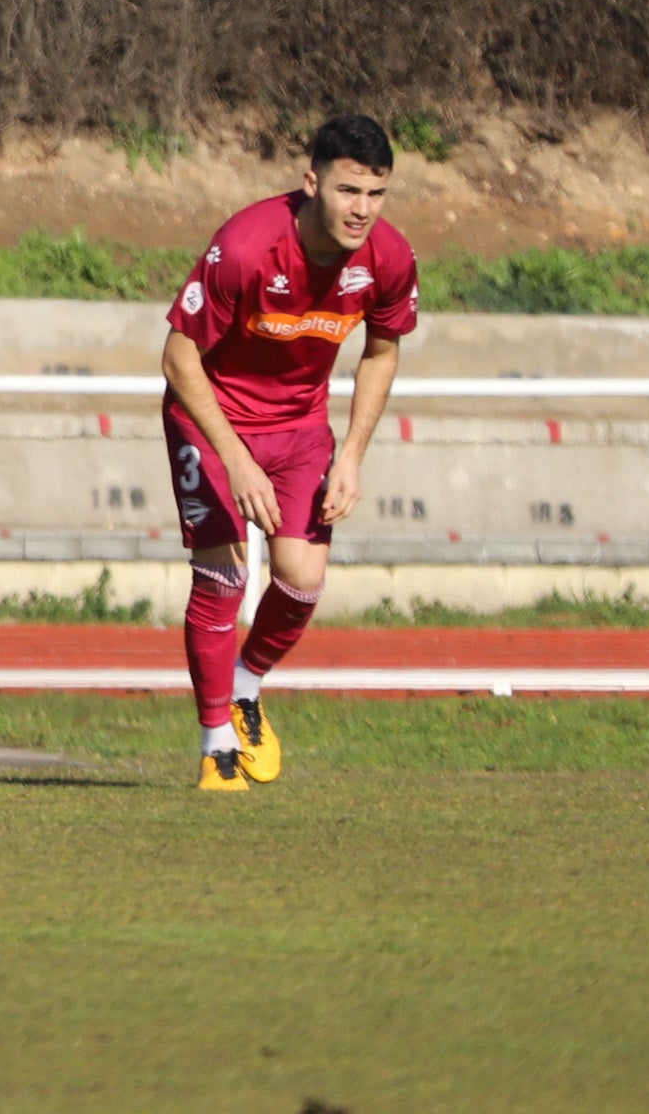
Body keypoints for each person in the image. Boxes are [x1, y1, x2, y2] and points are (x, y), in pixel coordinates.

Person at [163, 114, 416, 792]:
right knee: (223, 578)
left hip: (301, 427)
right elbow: (177, 356)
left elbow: (382, 352)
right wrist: (236, 460)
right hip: (211, 417)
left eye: (375, 194)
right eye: (348, 191)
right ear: (312, 183)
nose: (362, 209)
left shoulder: (388, 258)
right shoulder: (247, 247)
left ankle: (245, 687)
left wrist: (353, 455)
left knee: (302, 580)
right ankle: (216, 743)